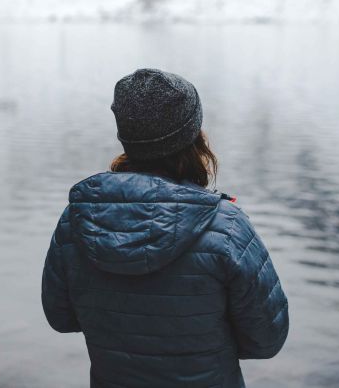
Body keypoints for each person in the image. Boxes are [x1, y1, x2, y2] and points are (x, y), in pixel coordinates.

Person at [42, 68, 289, 387]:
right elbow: (266, 340)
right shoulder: (226, 228)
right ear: (193, 137)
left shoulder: (77, 221)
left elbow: (61, 318)